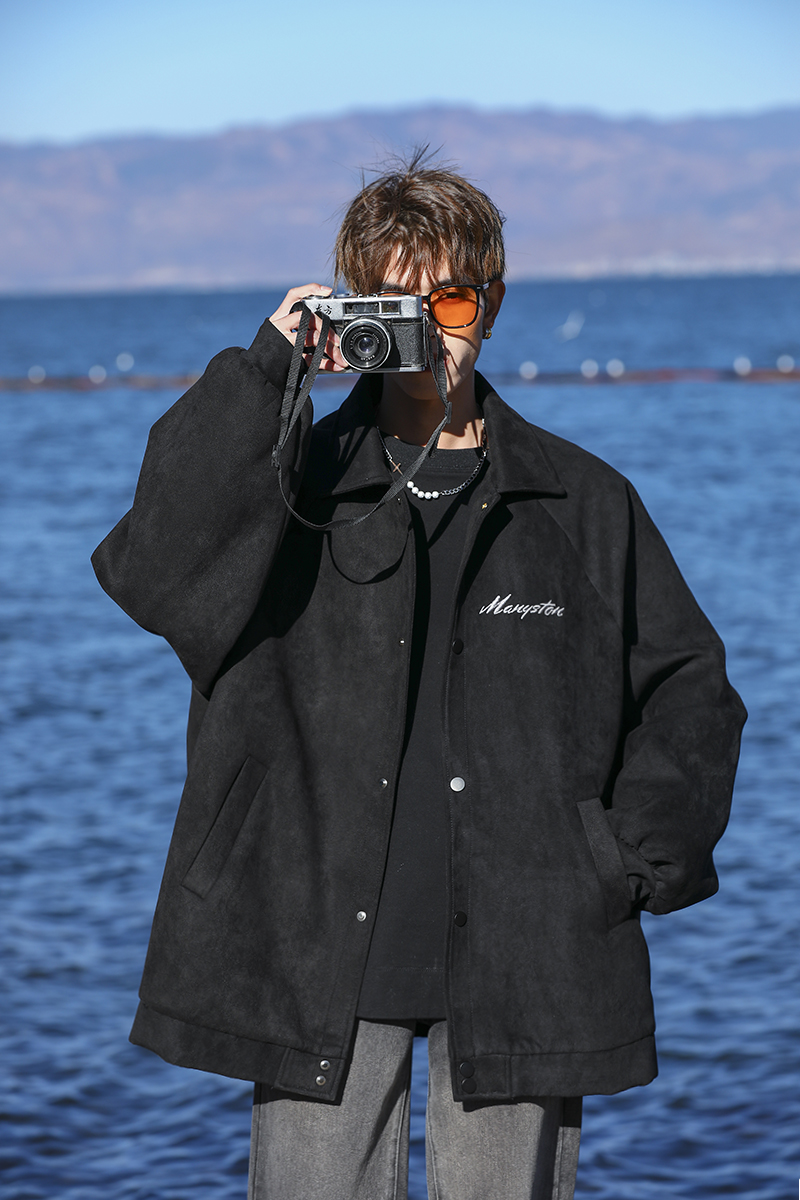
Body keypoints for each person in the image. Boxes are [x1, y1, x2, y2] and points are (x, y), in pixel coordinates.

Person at [92, 152, 746, 1200]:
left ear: (492, 303)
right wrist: (269, 372)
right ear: (356, 311)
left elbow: (689, 689)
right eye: (397, 304)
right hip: (311, 940)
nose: (432, 330)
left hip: (528, 945)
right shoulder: (285, 488)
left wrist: (624, 861)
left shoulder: (580, 502)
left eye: (450, 299)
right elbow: (154, 568)